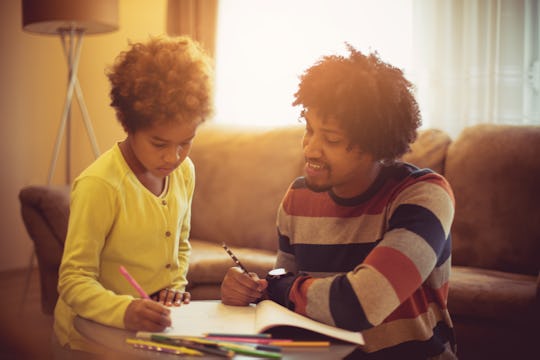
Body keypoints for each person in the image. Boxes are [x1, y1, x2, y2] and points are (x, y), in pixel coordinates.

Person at [220, 45, 457, 359]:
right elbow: (285, 285)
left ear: (375, 144)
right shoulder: (298, 198)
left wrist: (279, 289)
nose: (311, 149)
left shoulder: (423, 195)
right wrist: (251, 290)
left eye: (331, 139)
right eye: (309, 129)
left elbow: (361, 303)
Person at [53, 35, 213, 356]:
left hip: (148, 333)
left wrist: (174, 287)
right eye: (159, 144)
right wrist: (124, 310)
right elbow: (73, 280)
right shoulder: (100, 185)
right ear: (129, 124)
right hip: (89, 338)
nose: (174, 156)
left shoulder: (185, 172)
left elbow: (180, 244)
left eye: (186, 142)